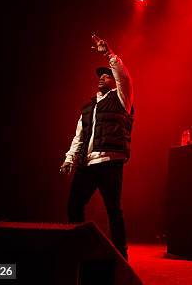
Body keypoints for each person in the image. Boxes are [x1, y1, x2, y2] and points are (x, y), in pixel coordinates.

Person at [60, 35, 134, 259]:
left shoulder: (122, 98)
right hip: (87, 164)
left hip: (110, 162)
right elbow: (79, 136)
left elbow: (125, 77)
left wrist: (108, 53)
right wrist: (70, 159)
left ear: (115, 81)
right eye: (100, 75)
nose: (102, 77)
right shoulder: (88, 106)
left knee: (113, 210)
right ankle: (78, 250)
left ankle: (120, 255)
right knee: (74, 206)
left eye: (107, 75)